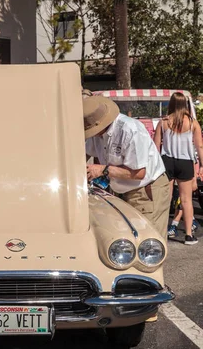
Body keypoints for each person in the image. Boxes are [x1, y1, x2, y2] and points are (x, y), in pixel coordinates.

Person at [83, 95, 171, 240]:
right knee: (126, 242)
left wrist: (102, 170)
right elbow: (84, 154)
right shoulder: (97, 133)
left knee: (147, 242)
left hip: (145, 191)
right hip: (123, 191)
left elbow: (139, 173)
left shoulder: (130, 129)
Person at [154, 92, 203, 245]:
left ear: (171, 104)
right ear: (185, 105)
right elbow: (199, 146)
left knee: (165, 200)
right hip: (185, 162)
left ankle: (161, 232)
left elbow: (155, 147)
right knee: (186, 200)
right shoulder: (192, 122)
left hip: (167, 161)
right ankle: (188, 235)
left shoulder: (163, 122)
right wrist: (201, 164)